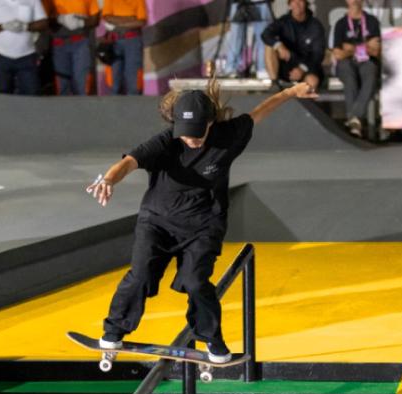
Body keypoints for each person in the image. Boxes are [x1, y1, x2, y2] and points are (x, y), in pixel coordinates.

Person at [85, 78, 317, 362]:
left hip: (204, 225)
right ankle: (113, 331)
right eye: (185, 133)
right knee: (141, 275)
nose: (191, 140)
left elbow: (261, 111)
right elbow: (129, 162)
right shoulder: (166, 141)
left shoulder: (229, 135)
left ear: (210, 122)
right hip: (157, 222)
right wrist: (109, 179)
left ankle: (211, 339)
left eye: (197, 133)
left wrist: (292, 91)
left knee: (196, 282)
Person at [332, 0, 381, 137]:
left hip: (367, 62)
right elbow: (338, 54)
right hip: (346, 63)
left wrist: (351, 48)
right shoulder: (341, 24)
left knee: (371, 71)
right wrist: (366, 46)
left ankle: (354, 119)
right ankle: (356, 120)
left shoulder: (372, 21)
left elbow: (376, 51)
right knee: (349, 74)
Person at [0, 0, 47, 94]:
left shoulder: (33, 1)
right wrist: (3, 26)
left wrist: (26, 26)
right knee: (3, 92)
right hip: (1, 56)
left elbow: (43, 23)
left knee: (32, 92)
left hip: (27, 56)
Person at [261, 0, 325, 91]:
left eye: (300, 1)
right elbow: (266, 34)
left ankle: (304, 97)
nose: (297, 4)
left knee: (312, 81)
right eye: (294, 1)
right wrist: (279, 45)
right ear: (289, 5)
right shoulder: (283, 21)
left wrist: (302, 69)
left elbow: (318, 54)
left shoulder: (315, 25)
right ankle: (275, 83)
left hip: (306, 65)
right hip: (286, 63)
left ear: (305, 4)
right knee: (270, 46)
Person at [47, 0, 99, 95]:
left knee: (81, 83)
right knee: (62, 85)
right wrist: (60, 19)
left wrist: (80, 22)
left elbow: (95, 19)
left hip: (81, 43)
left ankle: (83, 104)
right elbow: (43, 18)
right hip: (59, 44)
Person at [101, 0, 145, 95]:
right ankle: (114, 102)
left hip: (133, 40)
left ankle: (134, 101)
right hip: (114, 41)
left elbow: (141, 21)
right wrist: (131, 19)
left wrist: (117, 22)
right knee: (114, 76)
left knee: (133, 75)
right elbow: (107, 17)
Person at [222, 0, 272, 79]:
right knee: (235, 38)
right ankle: (231, 68)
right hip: (238, 2)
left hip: (260, 2)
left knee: (263, 37)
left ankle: (262, 68)